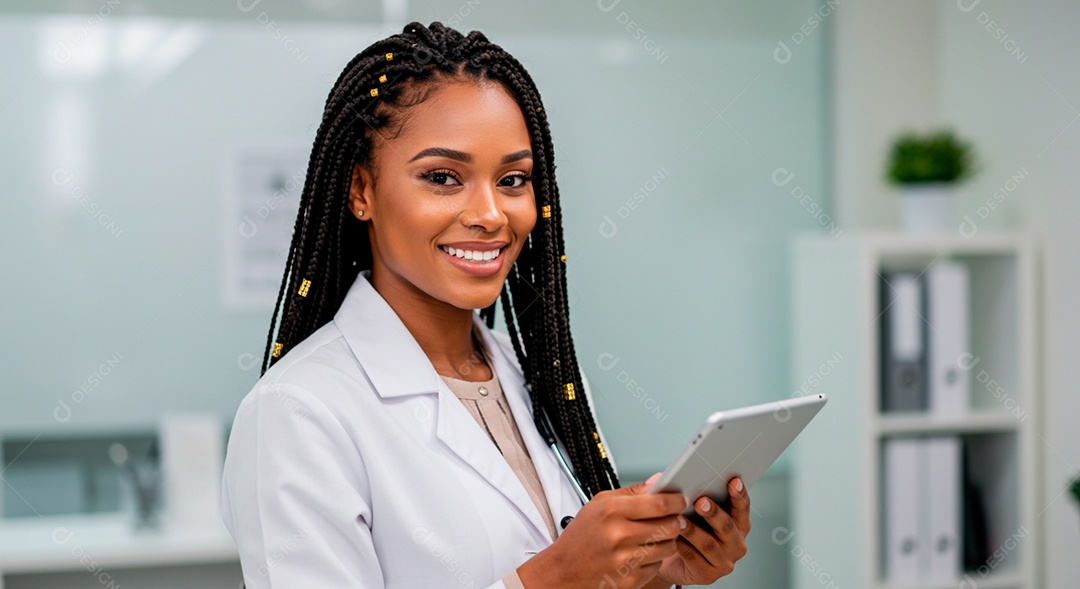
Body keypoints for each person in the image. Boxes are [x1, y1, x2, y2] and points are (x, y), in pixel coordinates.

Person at [221, 21, 750, 589]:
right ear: (361, 191)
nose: (492, 215)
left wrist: (654, 571)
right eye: (443, 177)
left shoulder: (542, 377)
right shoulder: (297, 412)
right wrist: (556, 576)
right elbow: (557, 576)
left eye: (513, 179)